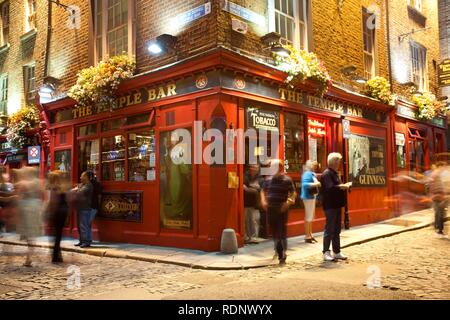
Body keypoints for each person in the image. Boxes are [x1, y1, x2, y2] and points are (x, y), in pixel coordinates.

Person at [261, 159, 296, 265]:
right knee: (274, 231)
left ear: (280, 168)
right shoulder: (268, 180)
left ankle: (282, 253)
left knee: (281, 231)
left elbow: (293, 193)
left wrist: (288, 202)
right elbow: (262, 190)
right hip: (271, 208)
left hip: (282, 209)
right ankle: (280, 249)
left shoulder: (287, 180)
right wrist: (263, 200)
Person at [320, 153, 352, 262]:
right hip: (330, 205)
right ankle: (326, 252)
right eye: (338, 161)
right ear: (334, 162)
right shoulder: (327, 174)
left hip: (337, 205)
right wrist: (343, 186)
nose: (339, 163)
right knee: (329, 229)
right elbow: (330, 188)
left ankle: (337, 251)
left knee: (337, 229)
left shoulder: (335, 173)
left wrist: (343, 186)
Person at [13, 167, 44, 267]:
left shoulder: (23, 183)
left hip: (26, 208)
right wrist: (42, 209)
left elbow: (18, 197)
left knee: (28, 235)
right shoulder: (38, 182)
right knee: (32, 234)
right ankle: (29, 256)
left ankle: (29, 257)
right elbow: (44, 196)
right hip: (35, 207)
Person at [46, 171, 70, 263]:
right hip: (63, 211)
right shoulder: (62, 187)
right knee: (58, 234)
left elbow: (52, 201)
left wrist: (49, 211)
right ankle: (58, 255)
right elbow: (67, 200)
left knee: (55, 235)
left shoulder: (53, 188)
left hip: (56, 212)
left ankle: (55, 256)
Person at [71, 171, 94, 248]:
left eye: (82, 176)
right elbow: (74, 190)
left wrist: (76, 190)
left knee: (85, 226)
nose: (80, 177)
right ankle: (81, 240)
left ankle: (86, 242)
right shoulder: (82, 185)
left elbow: (78, 192)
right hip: (79, 208)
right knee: (80, 226)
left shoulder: (89, 186)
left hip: (85, 208)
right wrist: (76, 189)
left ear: (86, 177)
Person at [301, 160, 321, 243]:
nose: (315, 167)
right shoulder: (307, 174)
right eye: (314, 165)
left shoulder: (311, 173)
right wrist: (315, 184)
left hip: (311, 196)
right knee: (308, 217)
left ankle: (310, 234)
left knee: (311, 216)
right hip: (308, 196)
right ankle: (307, 236)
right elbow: (304, 185)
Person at [243, 164, 262, 243]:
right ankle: (246, 237)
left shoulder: (260, 178)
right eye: (252, 166)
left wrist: (249, 188)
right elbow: (243, 187)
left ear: (258, 168)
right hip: (246, 201)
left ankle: (253, 237)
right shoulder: (245, 176)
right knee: (245, 220)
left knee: (254, 220)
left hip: (255, 202)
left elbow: (261, 188)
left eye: (255, 167)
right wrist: (254, 189)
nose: (253, 168)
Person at [429, 162, 448, 235]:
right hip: (439, 196)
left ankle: (437, 227)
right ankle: (440, 229)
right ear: (439, 166)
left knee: (438, 212)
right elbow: (439, 186)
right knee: (440, 213)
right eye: (443, 167)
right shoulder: (437, 174)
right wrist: (443, 194)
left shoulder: (434, 174)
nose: (443, 168)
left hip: (436, 196)